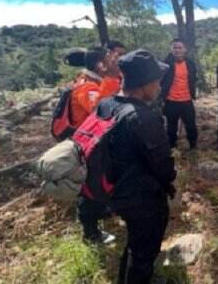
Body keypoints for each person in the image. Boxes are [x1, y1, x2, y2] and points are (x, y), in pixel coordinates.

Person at [96, 49, 177, 284]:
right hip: (142, 198)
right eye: (157, 83)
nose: (160, 88)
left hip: (114, 188)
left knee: (135, 242)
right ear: (144, 85)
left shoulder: (106, 104)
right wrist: (170, 181)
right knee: (144, 251)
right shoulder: (143, 117)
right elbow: (164, 167)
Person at [71, 44, 125, 244]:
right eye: (110, 59)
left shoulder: (97, 81)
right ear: (100, 64)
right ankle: (90, 233)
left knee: (102, 181)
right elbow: (99, 107)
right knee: (90, 187)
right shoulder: (85, 85)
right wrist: (112, 78)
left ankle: (104, 209)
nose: (114, 61)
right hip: (87, 145)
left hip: (97, 141)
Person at [160, 38, 199, 150]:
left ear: (185, 49)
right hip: (171, 101)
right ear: (171, 49)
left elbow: (193, 79)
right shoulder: (165, 64)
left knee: (191, 126)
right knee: (171, 127)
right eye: (175, 47)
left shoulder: (190, 64)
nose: (177, 50)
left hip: (187, 100)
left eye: (180, 47)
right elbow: (160, 81)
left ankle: (193, 146)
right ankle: (172, 148)